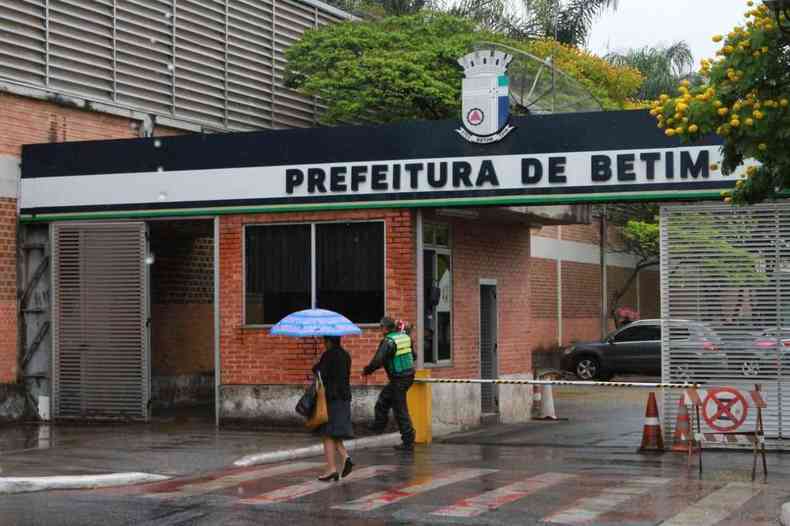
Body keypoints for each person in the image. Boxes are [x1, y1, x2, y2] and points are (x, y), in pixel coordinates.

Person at [362, 316, 416, 451]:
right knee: (384, 400)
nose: (380, 329)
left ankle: (408, 441)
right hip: (408, 376)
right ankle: (379, 426)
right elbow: (414, 356)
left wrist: (367, 370)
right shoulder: (404, 338)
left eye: (381, 327)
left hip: (399, 379)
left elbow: (378, 360)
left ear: (385, 328)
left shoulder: (388, 342)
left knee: (400, 409)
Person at [312, 335, 354, 481]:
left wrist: (316, 364)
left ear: (329, 341)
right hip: (344, 397)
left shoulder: (328, 355)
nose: (324, 344)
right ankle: (345, 457)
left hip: (332, 398)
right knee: (335, 432)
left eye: (325, 341)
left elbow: (320, 374)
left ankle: (331, 469)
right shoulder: (346, 355)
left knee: (328, 433)